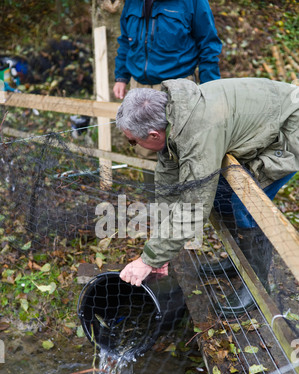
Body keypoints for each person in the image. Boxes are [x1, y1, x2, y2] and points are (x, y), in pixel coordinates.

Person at [115, 77, 299, 315]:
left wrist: (148, 261)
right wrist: (159, 252)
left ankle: (257, 286)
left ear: (153, 135)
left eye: (133, 142)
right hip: (269, 119)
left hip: (290, 131)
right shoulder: (174, 116)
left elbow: (193, 207)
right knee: (221, 193)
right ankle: (237, 260)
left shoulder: (197, 132)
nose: (133, 145)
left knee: (245, 203)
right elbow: (167, 184)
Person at [113, 0, 222, 183]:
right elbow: (125, 41)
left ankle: (183, 203)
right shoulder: (131, 2)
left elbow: (209, 45)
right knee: (144, 147)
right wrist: (121, 77)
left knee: (180, 147)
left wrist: (210, 89)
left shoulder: (193, 3)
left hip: (177, 87)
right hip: (138, 86)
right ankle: (155, 202)